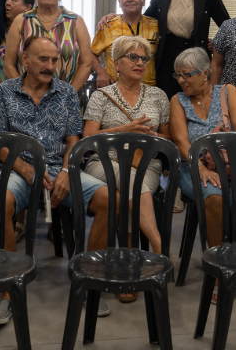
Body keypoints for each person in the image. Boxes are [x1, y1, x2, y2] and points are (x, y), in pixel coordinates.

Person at [0, 35, 109, 322]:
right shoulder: (3, 92)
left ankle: (87, 278)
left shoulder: (66, 93)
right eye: (43, 59)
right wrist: (27, 170)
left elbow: (73, 142)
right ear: (25, 59)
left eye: (54, 60)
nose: (50, 66)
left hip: (58, 167)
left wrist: (67, 171)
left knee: (108, 198)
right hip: (18, 168)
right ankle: (9, 289)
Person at [169, 47, 236, 305]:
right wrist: (201, 168)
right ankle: (221, 272)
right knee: (215, 198)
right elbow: (181, 141)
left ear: (206, 73)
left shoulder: (227, 91)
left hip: (234, 161)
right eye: (178, 76)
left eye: (187, 74)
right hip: (194, 166)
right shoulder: (177, 100)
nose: (182, 80)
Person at [83, 36, 170, 295]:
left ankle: (122, 269)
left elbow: (169, 138)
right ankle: (157, 247)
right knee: (131, 183)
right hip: (104, 163)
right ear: (116, 62)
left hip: (147, 165)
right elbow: (86, 139)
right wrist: (123, 130)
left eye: (144, 58)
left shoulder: (158, 95)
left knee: (129, 188)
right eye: (132, 57)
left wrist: (153, 138)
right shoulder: (101, 96)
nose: (140, 62)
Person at [98, 0, 230, 99]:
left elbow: (227, 27)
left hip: (197, 57)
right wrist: (116, 16)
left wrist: (217, 43)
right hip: (167, 59)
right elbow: (142, 19)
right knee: (168, 105)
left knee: (197, 102)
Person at [3, 0, 92, 91]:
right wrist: (25, 95)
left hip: (66, 102)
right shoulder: (21, 21)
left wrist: (67, 96)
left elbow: (86, 64)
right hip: (26, 103)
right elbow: (8, 65)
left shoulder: (76, 22)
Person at [91, 0, 159, 88]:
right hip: (114, 90)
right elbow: (91, 53)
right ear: (119, 2)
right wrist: (101, 73)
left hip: (149, 90)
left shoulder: (155, 26)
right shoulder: (108, 26)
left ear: (143, 1)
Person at [0, 0, 35, 82]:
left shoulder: (32, 32)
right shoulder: (2, 28)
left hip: (23, 88)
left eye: (13, 0)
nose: (7, 3)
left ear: (27, 7)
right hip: (2, 87)